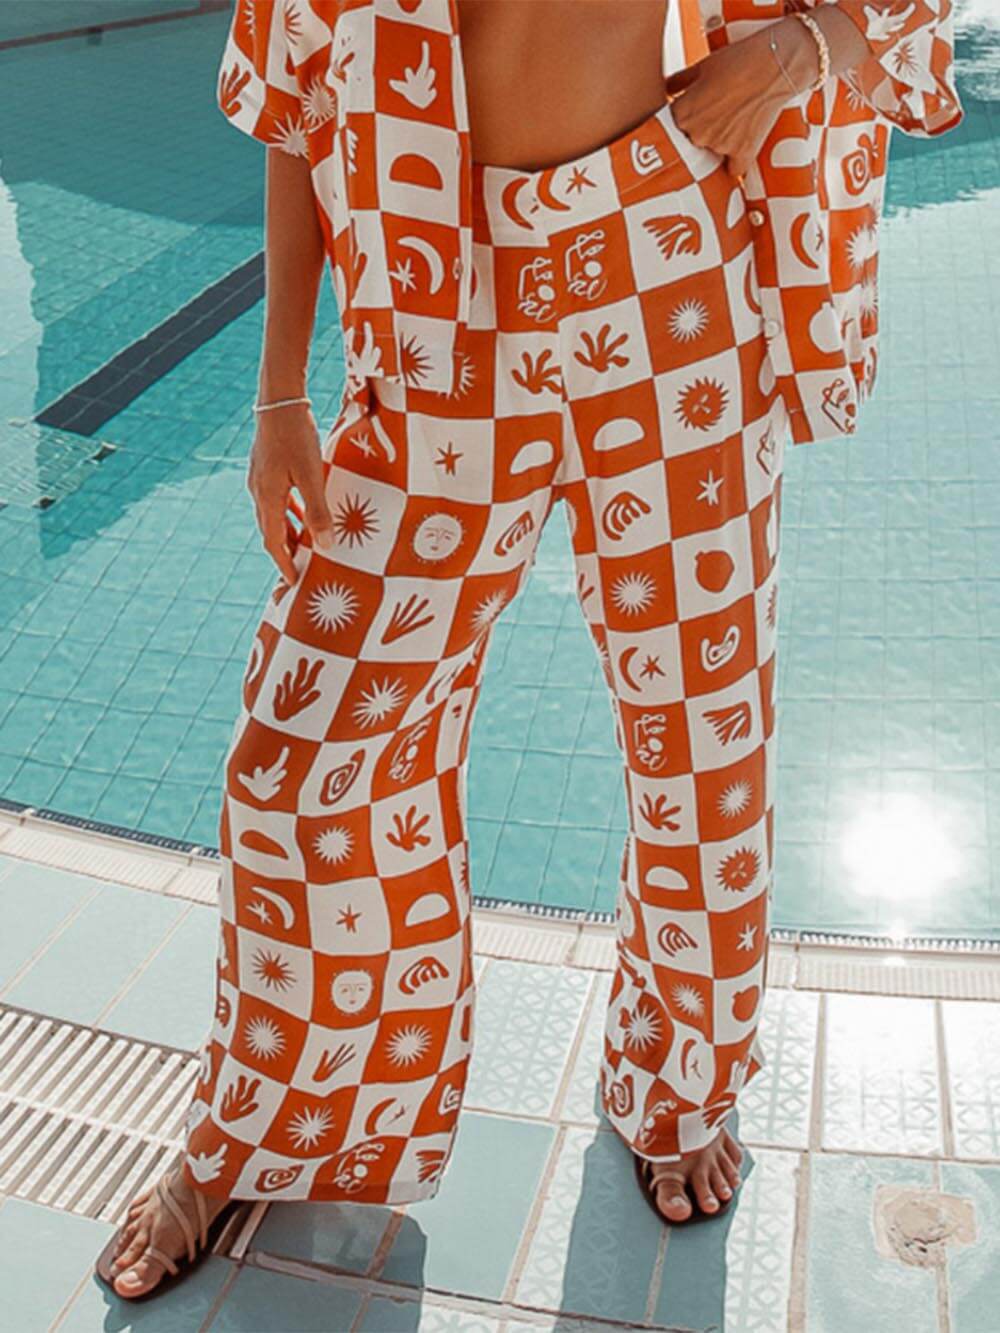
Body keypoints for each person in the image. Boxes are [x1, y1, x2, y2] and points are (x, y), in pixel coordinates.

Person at [97, 0, 961, 1300]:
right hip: (444, 303)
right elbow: (294, 86)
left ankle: (678, 1085)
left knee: (701, 738)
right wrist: (279, 392)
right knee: (299, 760)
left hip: (667, 258)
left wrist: (804, 50)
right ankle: (270, 1118)